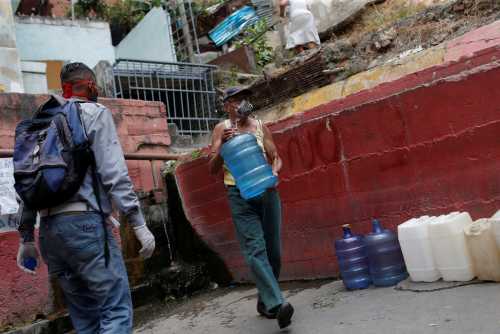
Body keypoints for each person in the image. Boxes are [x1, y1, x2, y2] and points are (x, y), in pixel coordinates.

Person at [16, 62, 156, 334]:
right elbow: (114, 173)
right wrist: (138, 223)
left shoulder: (41, 123)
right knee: (114, 309)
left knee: (85, 318)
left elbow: (27, 181)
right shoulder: (94, 112)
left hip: (49, 234)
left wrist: (25, 238)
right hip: (85, 226)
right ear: (90, 85)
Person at [209, 88, 294, 329]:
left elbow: (275, 156)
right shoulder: (221, 129)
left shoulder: (259, 126)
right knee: (255, 250)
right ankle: (278, 304)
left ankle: (264, 301)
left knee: (274, 252)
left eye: (242, 99)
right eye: (234, 101)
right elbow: (212, 168)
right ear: (226, 106)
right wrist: (223, 145)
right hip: (239, 194)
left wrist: (275, 168)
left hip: (267, 191)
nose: (240, 104)